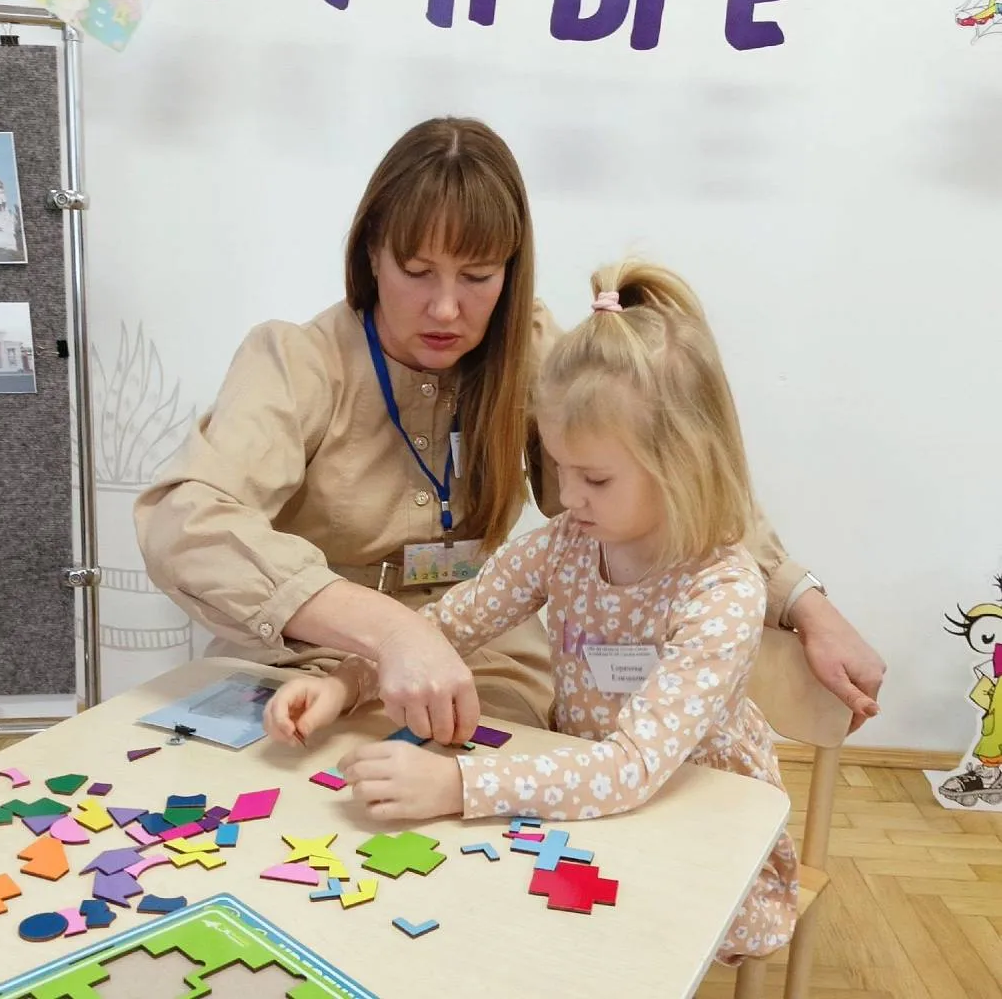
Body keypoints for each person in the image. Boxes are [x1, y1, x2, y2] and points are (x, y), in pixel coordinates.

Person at [134, 115, 885, 744]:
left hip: (481, 657)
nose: (446, 309)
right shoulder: (296, 359)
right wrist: (388, 631)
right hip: (305, 656)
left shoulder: (533, 351)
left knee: (469, 814)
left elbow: (676, 477)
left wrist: (804, 603)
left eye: (477, 276)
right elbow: (186, 520)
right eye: (417, 270)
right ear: (371, 254)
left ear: (512, 270)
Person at [264, 260, 797, 964]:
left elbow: (633, 768)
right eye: (558, 467)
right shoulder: (568, 543)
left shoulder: (722, 592)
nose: (567, 497)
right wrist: (346, 681)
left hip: (696, 816)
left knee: (610, 947)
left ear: (685, 464)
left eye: (595, 477)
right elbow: (447, 626)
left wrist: (455, 785)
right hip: (583, 797)